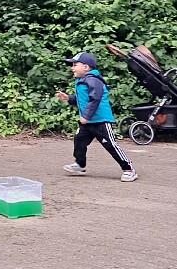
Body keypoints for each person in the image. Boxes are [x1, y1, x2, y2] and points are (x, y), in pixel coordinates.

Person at [55, 51, 138, 182]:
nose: (72, 68)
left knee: (110, 145)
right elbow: (83, 99)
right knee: (79, 140)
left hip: (100, 121)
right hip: (88, 122)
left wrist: (86, 116)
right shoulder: (81, 80)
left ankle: (129, 169)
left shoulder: (93, 80)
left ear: (86, 67)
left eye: (75, 65)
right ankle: (80, 165)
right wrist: (68, 98)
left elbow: (95, 99)